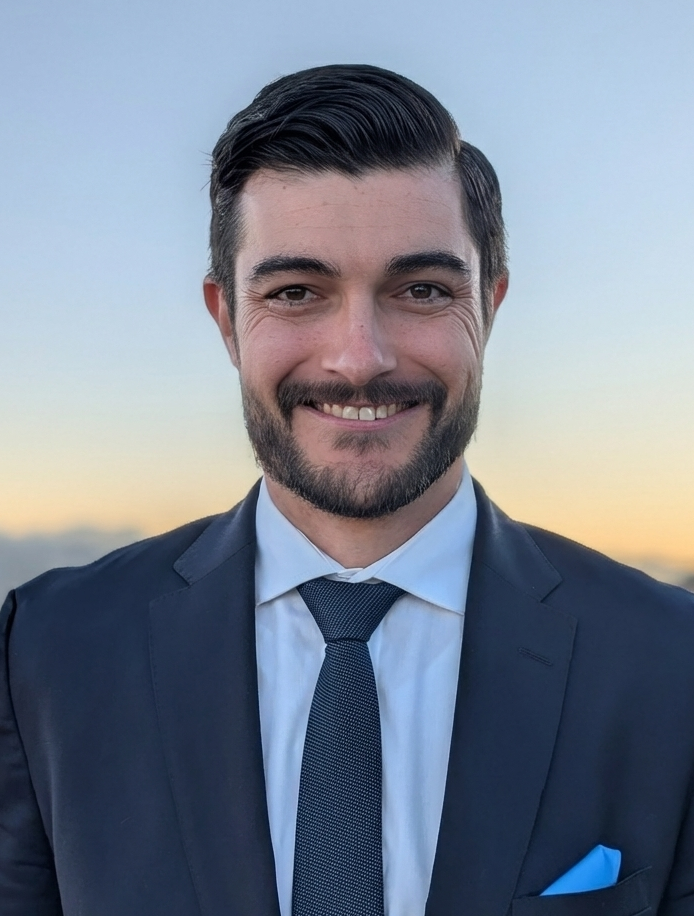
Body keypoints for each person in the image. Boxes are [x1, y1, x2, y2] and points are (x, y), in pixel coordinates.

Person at [1, 64, 693, 916]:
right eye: (297, 292)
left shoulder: (671, 663)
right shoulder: (49, 653)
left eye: (423, 290)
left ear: (492, 306)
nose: (359, 356)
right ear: (226, 319)